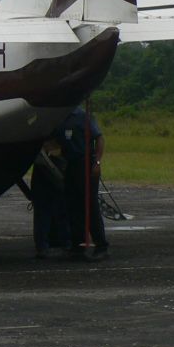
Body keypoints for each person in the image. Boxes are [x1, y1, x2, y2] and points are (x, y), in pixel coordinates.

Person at [60, 106, 109, 261]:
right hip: (71, 164)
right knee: (72, 206)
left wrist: (98, 162)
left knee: (90, 205)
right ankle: (78, 246)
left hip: (85, 163)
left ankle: (102, 246)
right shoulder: (59, 117)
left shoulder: (82, 116)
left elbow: (99, 138)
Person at [31, 134, 69, 259]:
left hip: (53, 173)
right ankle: (47, 246)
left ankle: (60, 244)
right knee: (45, 213)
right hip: (46, 174)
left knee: (57, 211)